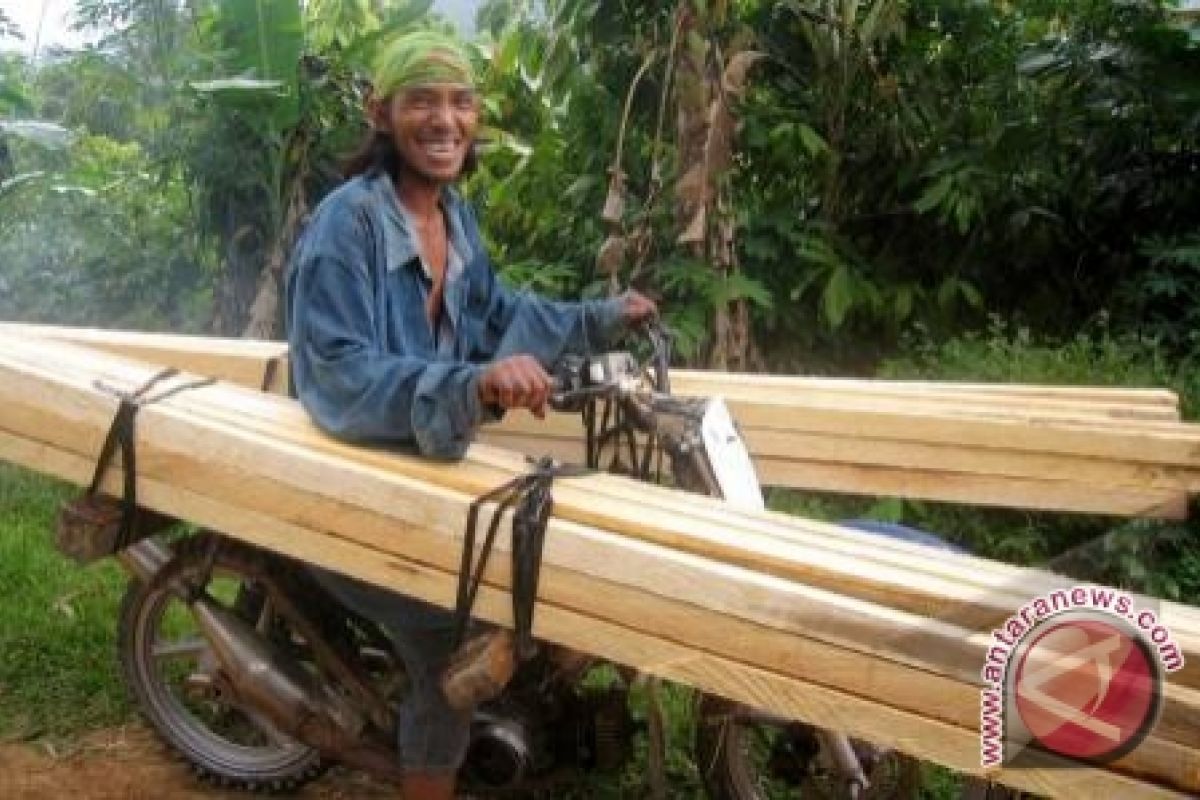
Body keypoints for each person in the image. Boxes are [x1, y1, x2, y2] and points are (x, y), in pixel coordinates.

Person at [283, 30, 656, 800]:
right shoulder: (344, 229)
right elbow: (339, 378)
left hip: (422, 477)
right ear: (380, 111)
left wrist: (599, 317)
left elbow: (498, 314)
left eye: (459, 101)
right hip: (340, 491)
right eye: (422, 99)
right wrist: (473, 386)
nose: (444, 119)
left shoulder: (454, 219)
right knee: (451, 639)